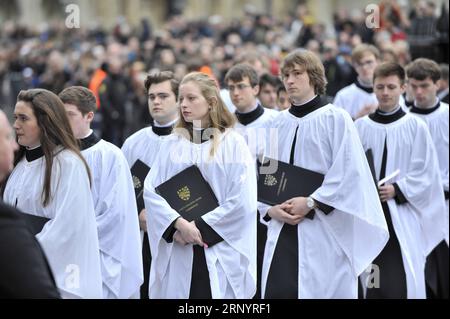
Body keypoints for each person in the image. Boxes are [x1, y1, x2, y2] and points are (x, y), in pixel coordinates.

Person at [260, 49, 388, 299]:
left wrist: (311, 201)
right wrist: (269, 210)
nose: (289, 80)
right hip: (282, 225)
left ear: (315, 77)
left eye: (297, 73)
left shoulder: (336, 118)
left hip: (324, 228)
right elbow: (268, 175)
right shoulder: (275, 123)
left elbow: (350, 173)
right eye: (286, 75)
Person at [144, 72, 257, 299]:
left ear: (211, 102)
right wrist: (176, 224)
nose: (183, 104)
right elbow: (151, 191)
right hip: (179, 245)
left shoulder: (232, 143)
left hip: (219, 247)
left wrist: (198, 227)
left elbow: (242, 200)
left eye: (191, 98)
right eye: (181, 99)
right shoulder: (172, 143)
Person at [355, 62, 446, 298]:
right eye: (380, 86)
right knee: (372, 280)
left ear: (403, 88)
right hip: (370, 216)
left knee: (402, 279)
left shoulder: (415, 126)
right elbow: (351, 169)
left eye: (391, 87)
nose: (385, 92)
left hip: (403, 214)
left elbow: (427, 173)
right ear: (373, 88)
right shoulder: (360, 127)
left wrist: (398, 189)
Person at [1, 89, 102, 299]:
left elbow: (67, 229)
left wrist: (20, 254)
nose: (16, 125)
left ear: (45, 121)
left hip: (58, 277)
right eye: (15, 118)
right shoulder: (20, 166)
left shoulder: (68, 164)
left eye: (23, 118)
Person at [59, 86, 143, 299]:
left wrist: (74, 233)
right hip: (61, 252)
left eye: (69, 115)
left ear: (89, 116)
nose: (62, 121)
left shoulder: (109, 156)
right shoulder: (54, 156)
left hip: (99, 254)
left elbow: (116, 214)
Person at [121, 71, 180, 299]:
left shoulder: (190, 142)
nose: (156, 101)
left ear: (178, 99)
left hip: (176, 239)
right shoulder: (133, 143)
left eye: (163, 96)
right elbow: (122, 193)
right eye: (152, 96)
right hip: (140, 239)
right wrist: (137, 216)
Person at [224, 63, 278, 298]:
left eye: (242, 86)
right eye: (232, 87)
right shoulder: (224, 126)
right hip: (234, 211)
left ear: (256, 89)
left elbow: (275, 169)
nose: (236, 93)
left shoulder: (275, 121)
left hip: (266, 210)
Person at [0, 110, 60, 298]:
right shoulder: (6, 223)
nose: (14, 145)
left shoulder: (68, 164)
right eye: (7, 136)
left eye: (23, 118)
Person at [406, 58, 449, 299]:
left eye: (424, 85)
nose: (418, 92)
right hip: (413, 209)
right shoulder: (404, 122)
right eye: (413, 86)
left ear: (438, 84)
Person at [333, 44, 380, 120]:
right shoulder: (343, 96)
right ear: (354, 67)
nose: (364, 67)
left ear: (378, 62)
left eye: (369, 62)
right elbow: (335, 126)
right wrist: (356, 119)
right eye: (359, 64)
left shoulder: (391, 93)